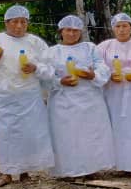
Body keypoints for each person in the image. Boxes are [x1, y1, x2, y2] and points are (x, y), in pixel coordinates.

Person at [0, 5, 54, 187]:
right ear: (6, 23)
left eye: (23, 22)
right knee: (5, 134)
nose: (19, 26)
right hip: (3, 97)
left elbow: (49, 70)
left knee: (29, 133)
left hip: (29, 96)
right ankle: (6, 173)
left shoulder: (35, 43)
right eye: (15, 22)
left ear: (28, 24)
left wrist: (36, 68)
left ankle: (25, 171)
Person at [44, 15, 115, 179]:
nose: (72, 34)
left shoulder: (89, 48)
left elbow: (102, 67)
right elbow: (45, 75)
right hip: (63, 100)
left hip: (89, 98)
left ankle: (91, 167)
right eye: (68, 30)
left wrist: (93, 75)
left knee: (90, 134)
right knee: (66, 135)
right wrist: (59, 81)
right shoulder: (52, 52)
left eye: (75, 30)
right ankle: (68, 170)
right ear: (61, 31)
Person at [96, 13, 131, 179]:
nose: (122, 30)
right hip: (113, 93)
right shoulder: (104, 47)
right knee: (116, 126)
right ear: (113, 28)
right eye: (118, 26)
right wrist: (108, 76)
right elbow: (98, 67)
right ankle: (119, 164)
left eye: (125, 26)